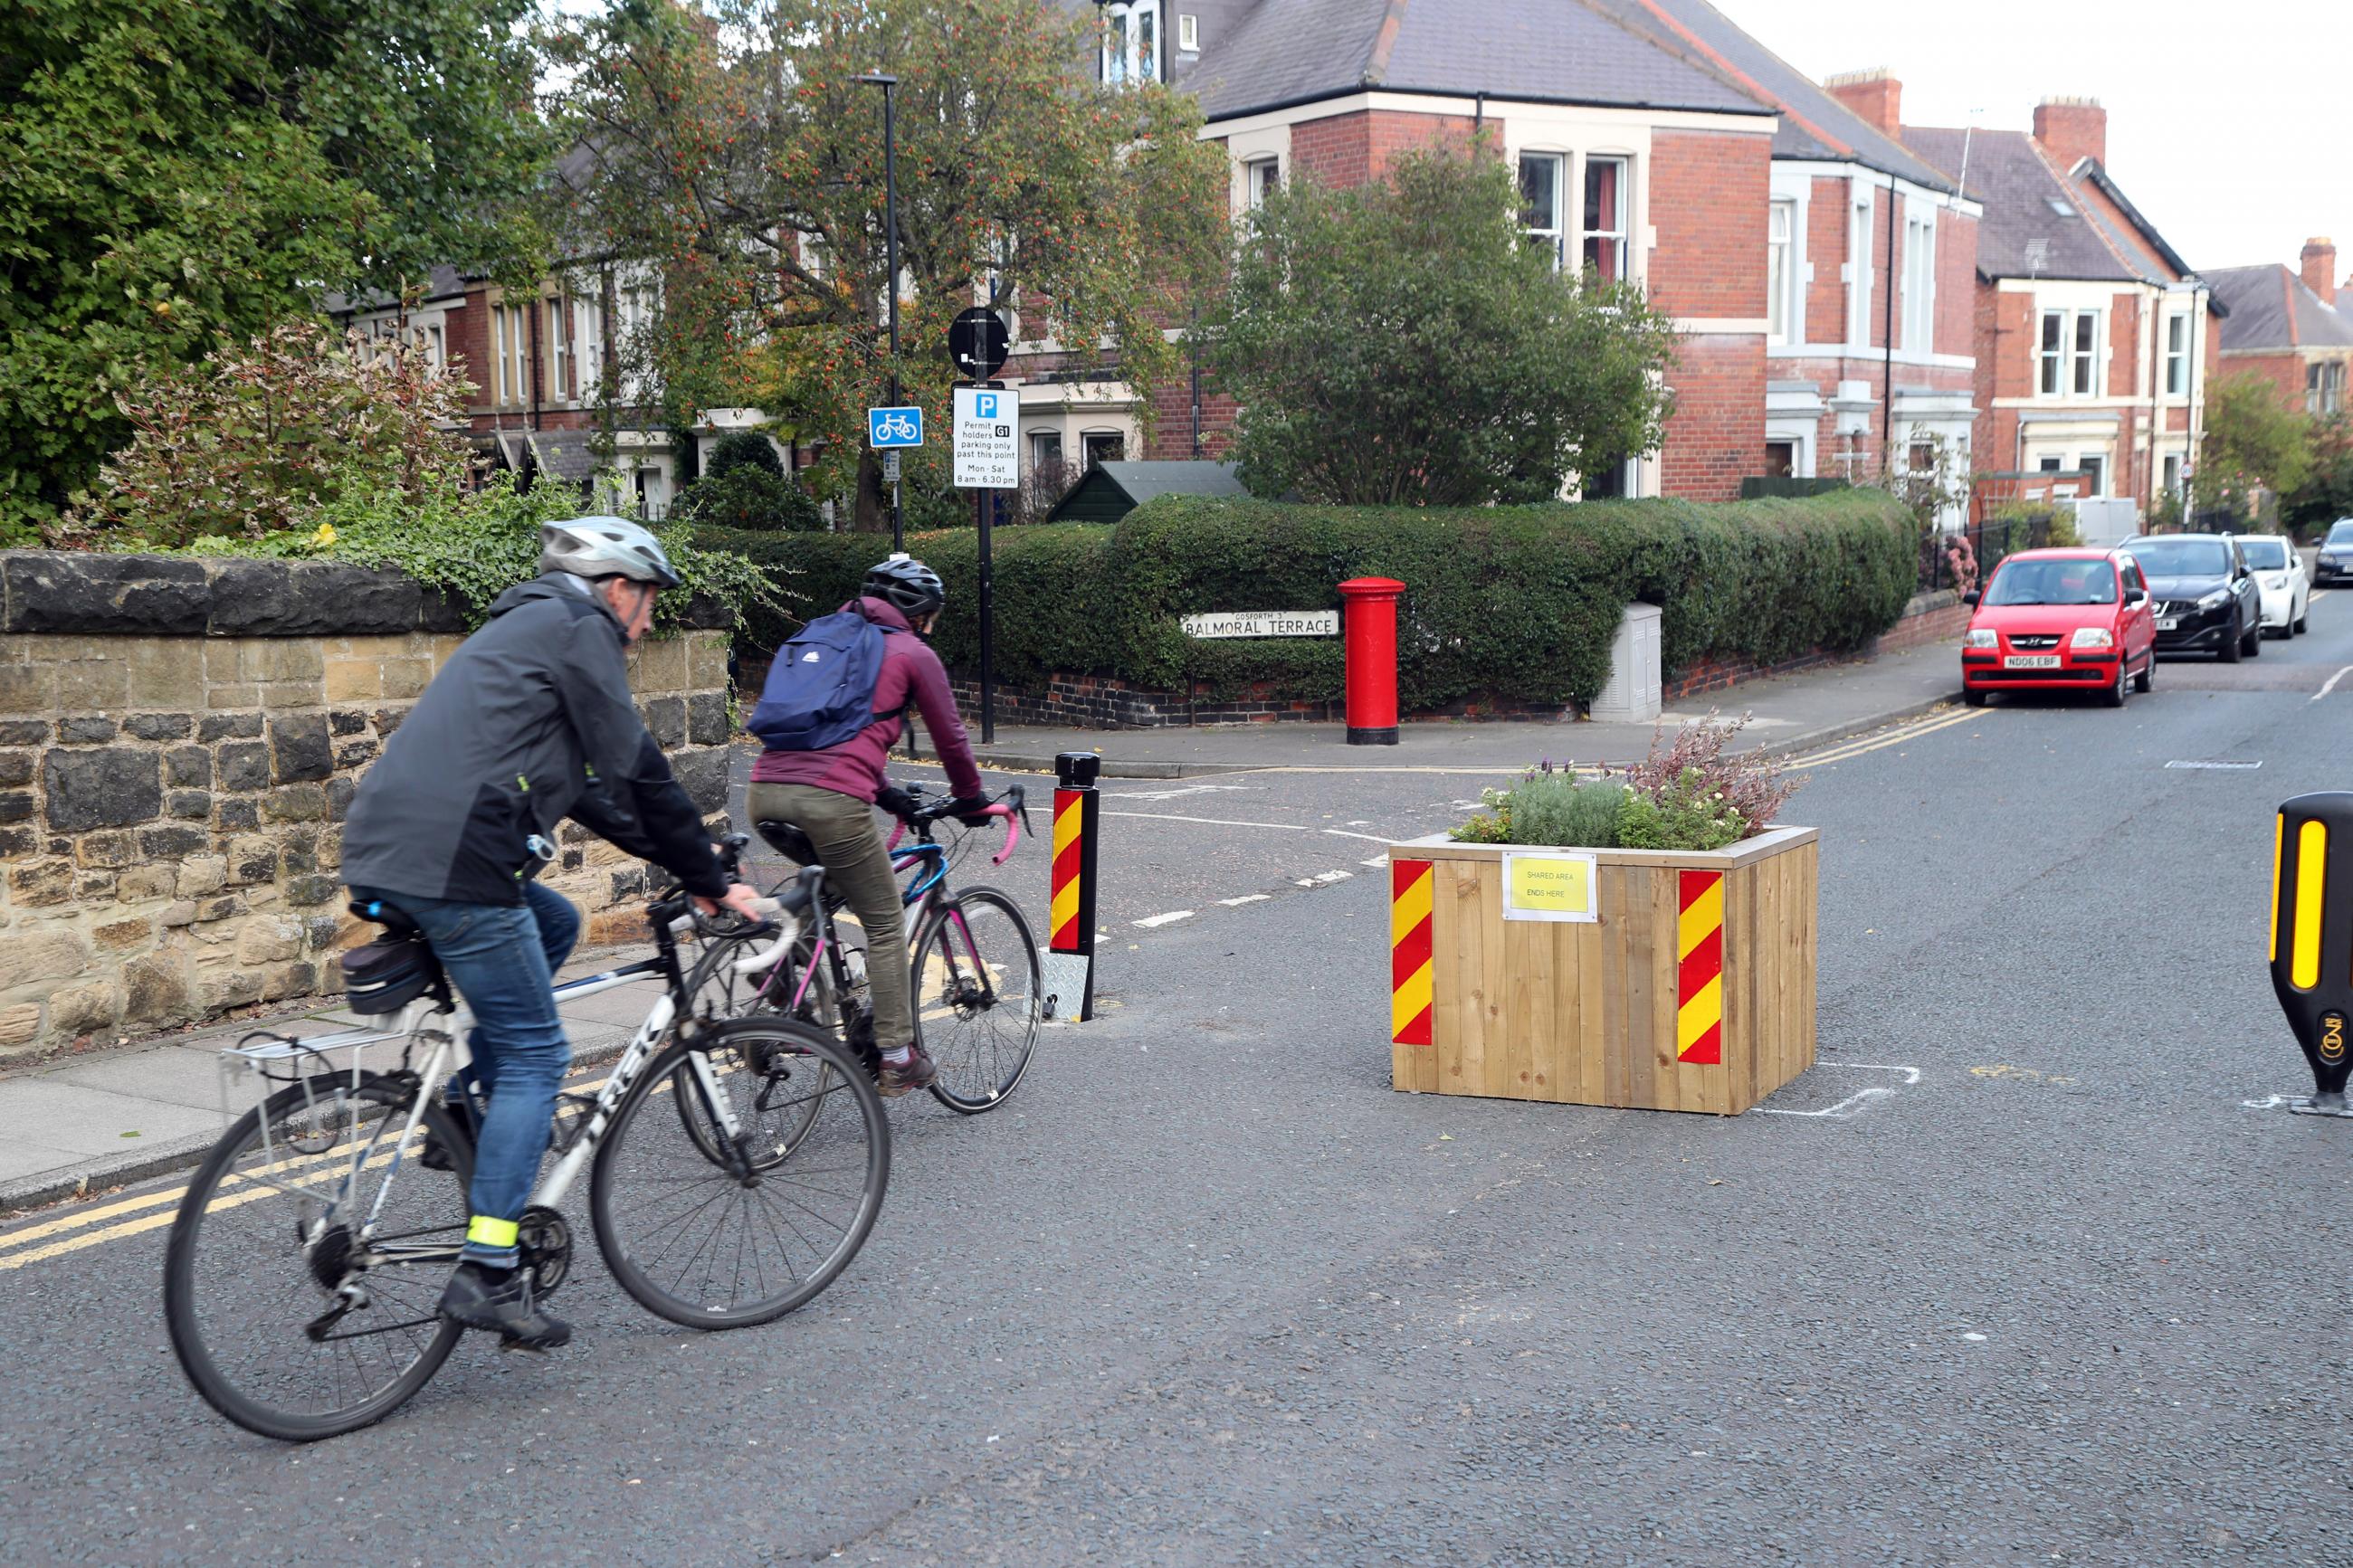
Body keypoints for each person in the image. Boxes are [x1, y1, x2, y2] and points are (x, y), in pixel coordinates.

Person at [342, 517, 761, 1350]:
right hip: (458, 864)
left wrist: (694, 859)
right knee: (538, 1053)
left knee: (557, 917)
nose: (645, 629)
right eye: (647, 609)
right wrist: (715, 883)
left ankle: (465, 1102)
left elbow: (594, 796)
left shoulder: (527, 627)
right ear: (618, 588)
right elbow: (639, 765)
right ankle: (488, 1272)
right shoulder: (578, 631)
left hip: (388, 848)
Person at [747, 556, 991, 1097]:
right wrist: (971, 799)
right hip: (830, 804)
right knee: (883, 921)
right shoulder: (911, 651)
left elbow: (829, 732)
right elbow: (950, 738)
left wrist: (887, 794)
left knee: (827, 889)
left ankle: (778, 977)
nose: (932, 626)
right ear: (921, 614)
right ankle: (898, 1056)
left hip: (764, 793)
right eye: (932, 616)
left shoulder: (820, 638)